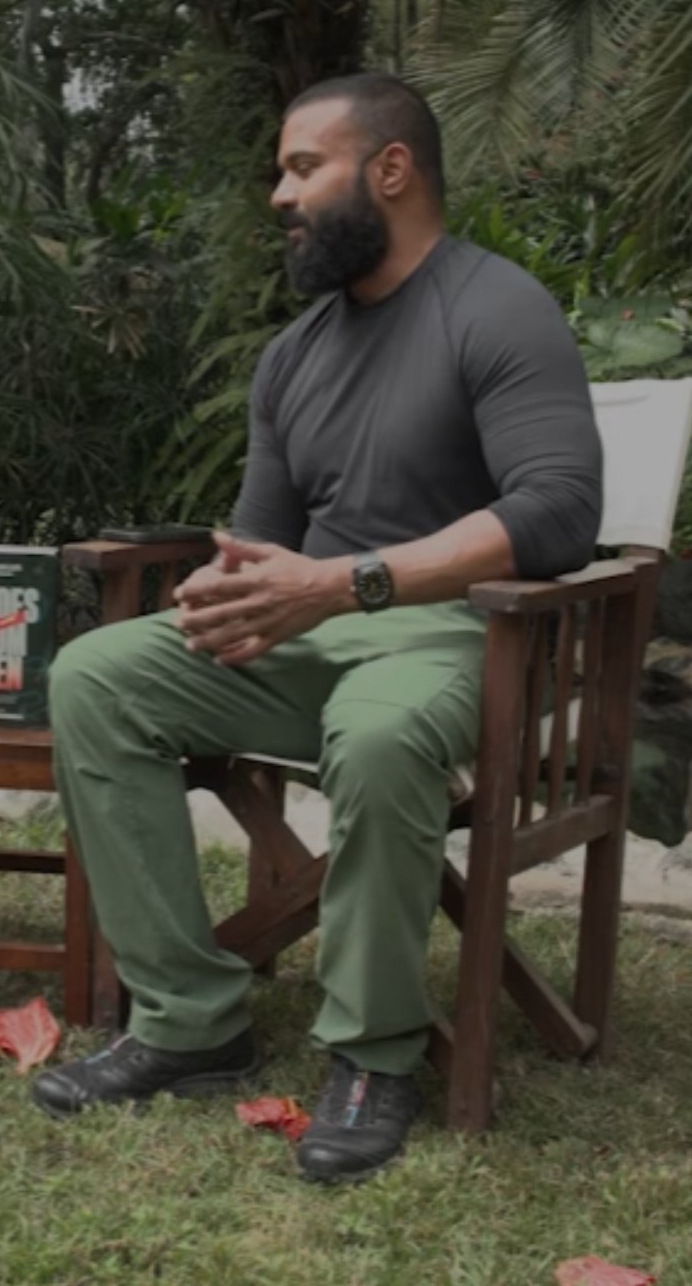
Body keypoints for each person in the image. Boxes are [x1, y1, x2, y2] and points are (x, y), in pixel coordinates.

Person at [32, 73, 603, 1183]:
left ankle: (372, 1051)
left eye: (303, 168)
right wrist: (224, 593)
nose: (278, 196)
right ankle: (190, 1022)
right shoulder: (294, 354)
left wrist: (343, 583)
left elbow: (556, 511)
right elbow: (264, 548)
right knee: (99, 675)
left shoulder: (496, 308)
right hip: (316, 635)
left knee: (380, 737)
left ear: (389, 170)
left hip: (454, 636)